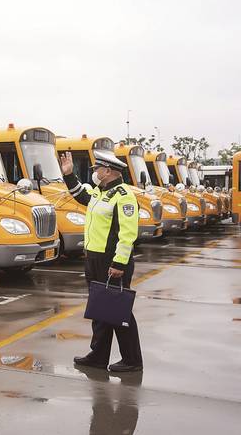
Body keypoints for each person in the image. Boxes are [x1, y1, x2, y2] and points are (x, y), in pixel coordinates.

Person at [60, 150, 143, 372]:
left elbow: (127, 234)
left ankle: (132, 360)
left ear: (107, 171)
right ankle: (98, 356)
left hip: (112, 261)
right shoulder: (100, 192)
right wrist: (69, 175)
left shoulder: (124, 196)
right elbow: (81, 196)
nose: (95, 173)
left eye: (97, 169)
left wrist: (119, 264)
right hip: (94, 259)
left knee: (118, 312)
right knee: (100, 310)